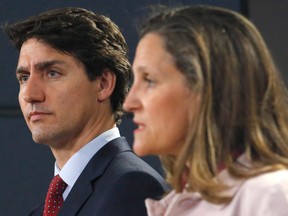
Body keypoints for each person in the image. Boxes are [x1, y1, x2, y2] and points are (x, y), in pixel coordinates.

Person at [124, 5, 288, 216]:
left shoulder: (269, 195)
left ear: (207, 86)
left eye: (149, 80)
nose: (129, 103)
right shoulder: (174, 203)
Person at [3, 7, 168, 216]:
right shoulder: (43, 210)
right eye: (24, 78)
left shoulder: (133, 188)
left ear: (103, 84)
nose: (30, 94)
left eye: (52, 73)